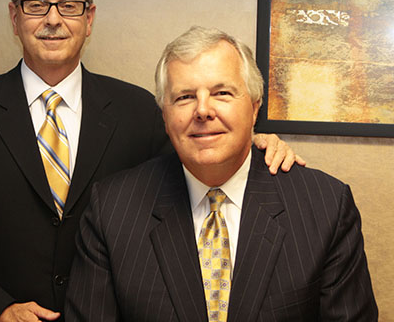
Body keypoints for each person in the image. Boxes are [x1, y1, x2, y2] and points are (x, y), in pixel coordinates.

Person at [0, 0, 302, 322]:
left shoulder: (141, 112)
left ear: (89, 18)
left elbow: (198, 174)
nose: (53, 19)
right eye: (36, 5)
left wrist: (252, 146)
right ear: (14, 17)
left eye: (68, 5)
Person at [65, 25, 377, 321]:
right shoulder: (112, 210)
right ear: (164, 115)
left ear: (255, 108)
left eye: (222, 93)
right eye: (185, 97)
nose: (203, 110)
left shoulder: (324, 207)